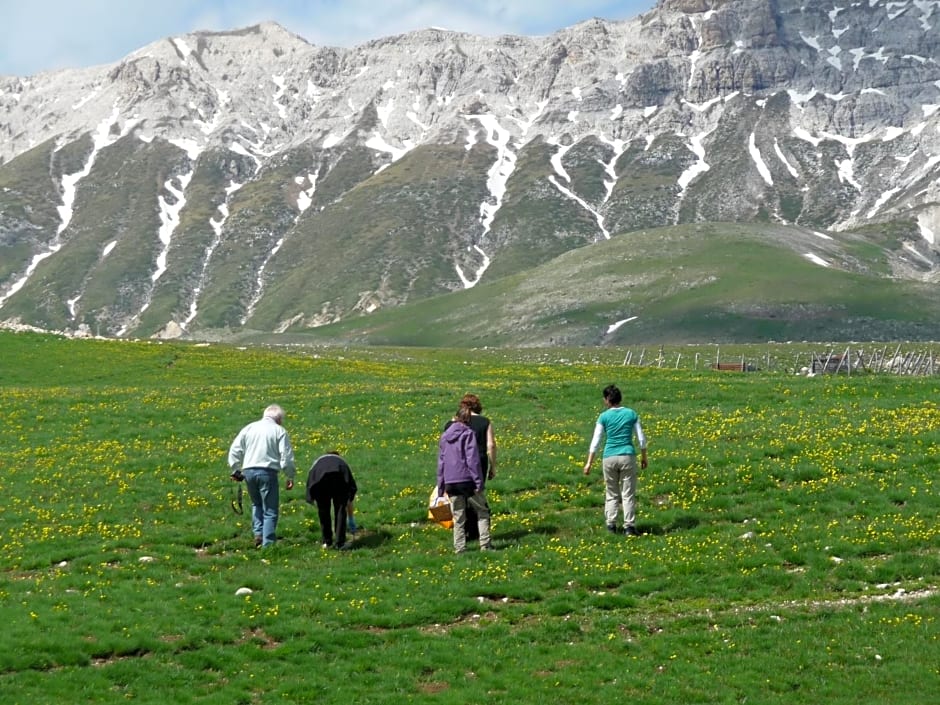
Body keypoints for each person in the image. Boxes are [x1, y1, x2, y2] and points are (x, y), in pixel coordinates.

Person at [583, 384, 648, 536]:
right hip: (627, 456)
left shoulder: (604, 417)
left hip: (609, 457)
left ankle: (611, 525)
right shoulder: (631, 414)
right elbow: (641, 439)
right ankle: (629, 526)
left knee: (611, 493)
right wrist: (644, 457)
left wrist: (589, 463)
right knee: (628, 493)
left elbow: (596, 441)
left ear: (607, 400)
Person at [228, 404, 296, 548]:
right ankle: (268, 543)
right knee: (270, 509)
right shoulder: (279, 431)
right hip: (268, 471)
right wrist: (290, 476)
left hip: (249, 471)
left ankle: (258, 534)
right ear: (278, 419)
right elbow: (286, 457)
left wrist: (235, 470)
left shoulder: (249, 428)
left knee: (256, 504)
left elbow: (234, 449)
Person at [438, 402, 492, 553]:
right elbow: (472, 460)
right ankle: (485, 545)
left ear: (455, 418)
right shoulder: (468, 434)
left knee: (458, 517)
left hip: (451, 482)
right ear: (468, 420)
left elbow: (441, 463)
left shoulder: (444, 437)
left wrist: (441, 486)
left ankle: (460, 548)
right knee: (482, 511)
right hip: (467, 480)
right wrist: (478, 482)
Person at [306, 450, 358, 550]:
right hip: (339, 478)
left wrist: (311, 497)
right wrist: (351, 517)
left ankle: (327, 542)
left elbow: (311, 479)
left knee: (323, 510)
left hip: (320, 480)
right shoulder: (341, 462)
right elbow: (350, 486)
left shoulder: (318, 462)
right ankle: (340, 543)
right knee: (340, 510)